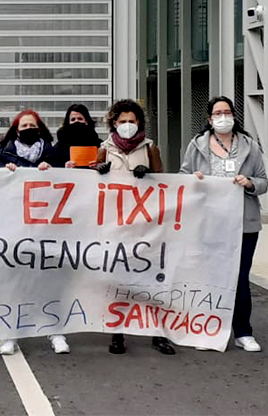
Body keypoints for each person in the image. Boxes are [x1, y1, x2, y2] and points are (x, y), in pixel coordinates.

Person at [179, 96, 268, 352]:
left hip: (243, 223)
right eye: (217, 113)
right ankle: (208, 328)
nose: (223, 117)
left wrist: (249, 182)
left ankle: (242, 331)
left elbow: (263, 181)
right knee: (209, 276)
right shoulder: (197, 146)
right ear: (209, 119)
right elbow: (183, 177)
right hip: (208, 223)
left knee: (240, 277)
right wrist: (194, 179)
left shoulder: (249, 146)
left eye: (227, 112)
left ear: (233, 115)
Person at [97, 99, 174, 356]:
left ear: (138, 122)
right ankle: (117, 333)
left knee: (150, 278)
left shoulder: (150, 147)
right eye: (122, 121)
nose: (127, 125)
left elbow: (163, 178)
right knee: (118, 278)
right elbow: (90, 182)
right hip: (115, 223)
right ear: (114, 123)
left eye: (132, 121)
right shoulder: (105, 148)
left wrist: (149, 172)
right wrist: (99, 170)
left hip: (145, 224)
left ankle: (157, 333)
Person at [0, 109, 67, 355]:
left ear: (39, 128)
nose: (27, 128)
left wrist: (53, 170)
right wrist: (6, 173)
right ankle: (11, 334)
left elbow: (66, 184)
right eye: (23, 125)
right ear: (16, 129)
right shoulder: (3, 153)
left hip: (46, 226)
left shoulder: (51, 152)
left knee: (48, 278)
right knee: (15, 279)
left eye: (31, 125)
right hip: (14, 224)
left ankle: (55, 331)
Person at [54, 104, 102, 168]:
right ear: (68, 123)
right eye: (73, 119)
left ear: (86, 121)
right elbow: (53, 163)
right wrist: (64, 165)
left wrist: (98, 164)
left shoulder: (97, 143)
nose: (76, 121)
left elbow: (106, 162)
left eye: (80, 119)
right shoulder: (60, 145)